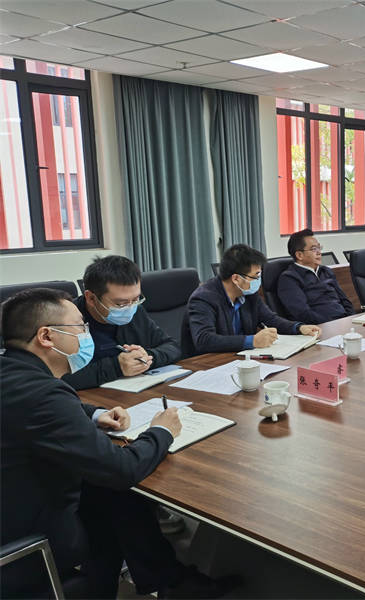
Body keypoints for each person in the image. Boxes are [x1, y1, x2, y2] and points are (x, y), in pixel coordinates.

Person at [0, 288, 231, 598]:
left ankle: (164, 579)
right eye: (79, 326)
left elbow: (39, 410)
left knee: (113, 493)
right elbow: (122, 468)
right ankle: (156, 581)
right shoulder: (43, 394)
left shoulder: (13, 373)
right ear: (46, 336)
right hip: (27, 537)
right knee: (117, 488)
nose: (86, 334)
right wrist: (162, 431)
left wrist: (95, 414)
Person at [62, 255, 181, 390]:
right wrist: (117, 367)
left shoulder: (135, 310)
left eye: (136, 299)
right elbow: (58, 378)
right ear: (91, 298)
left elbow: (172, 347)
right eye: (120, 303)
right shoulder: (66, 322)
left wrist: (145, 358)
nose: (129, 308)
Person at [185, 244, 320, 355]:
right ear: (236, 278)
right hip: (206, 364)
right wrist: (252, 341)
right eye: (255, 276)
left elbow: (271, 319)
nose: (258, 281)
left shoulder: (248, 293)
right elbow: (204, 340)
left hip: (240, 357)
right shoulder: (204, 298)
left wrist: (299, 328)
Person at [277, 229, 354, 324]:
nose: (319, 252)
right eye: (314, 249)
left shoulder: (326, 271)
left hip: (344, 323)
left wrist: (351, 320)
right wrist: (331, 325)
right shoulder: (289, 278)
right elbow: (303, 314)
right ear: (299, 255)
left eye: (319, 247)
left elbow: (345, 301)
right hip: (321, 327)